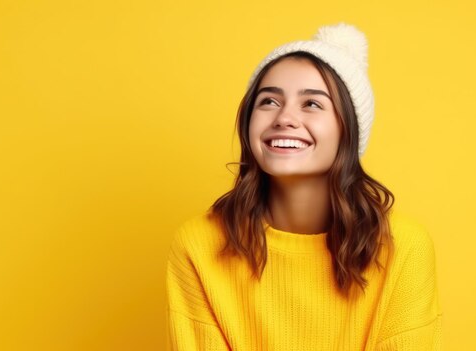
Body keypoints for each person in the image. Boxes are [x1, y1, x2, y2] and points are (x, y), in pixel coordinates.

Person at [166, 23, 442, 350]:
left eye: (312, 104)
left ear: (348, 131)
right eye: (268, 101)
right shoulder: (198, 244)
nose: (284, 118)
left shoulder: (403, 247)